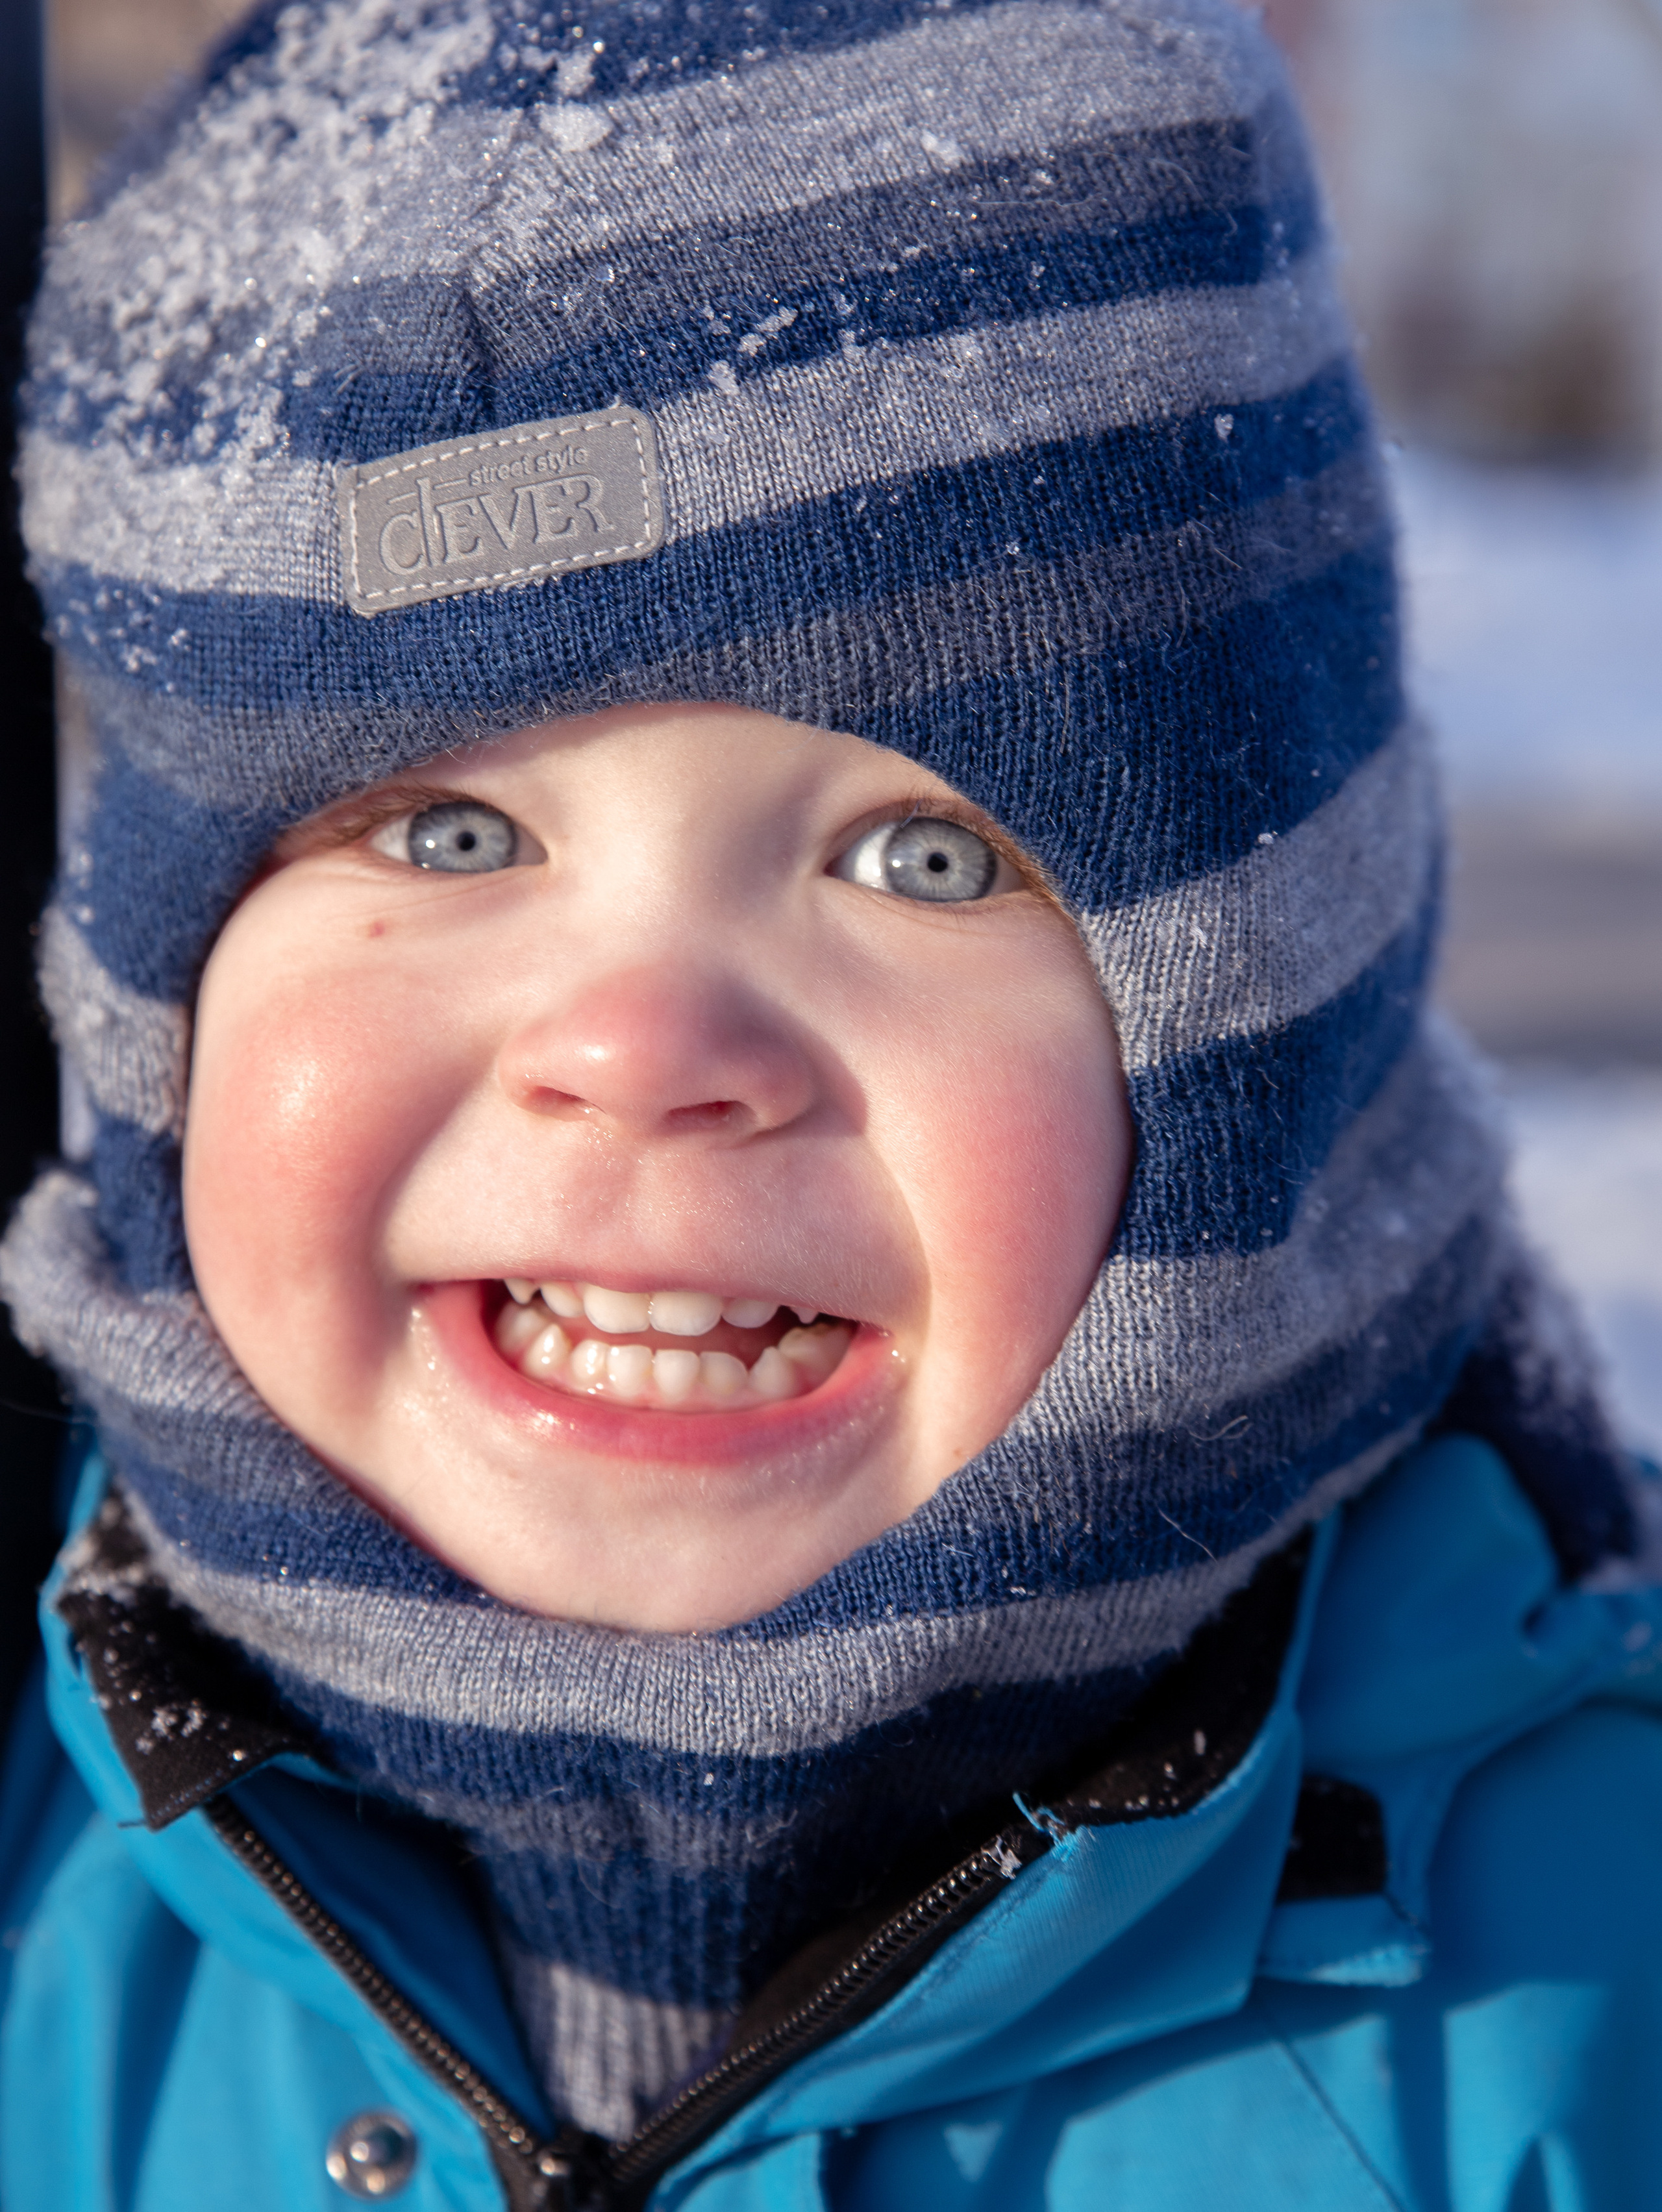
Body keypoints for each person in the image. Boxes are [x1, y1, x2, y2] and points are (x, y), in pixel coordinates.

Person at [3, 1, 1660, 2205]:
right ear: (156, 1006)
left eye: (928, 858)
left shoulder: (1594, 1985)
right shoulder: (41, 1862)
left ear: (1266, 1018)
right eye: (448, 836)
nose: (648, 1053)